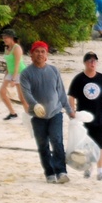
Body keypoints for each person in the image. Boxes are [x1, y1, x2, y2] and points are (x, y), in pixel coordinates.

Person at [19, 41, 75, 183]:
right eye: (37, 51)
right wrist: (35, 105)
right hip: (37, 116)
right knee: (43, 144)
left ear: (47, 55)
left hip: (56, 113)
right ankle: (50, 173)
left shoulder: (54, 71)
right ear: (31, 55)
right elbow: (26, 92)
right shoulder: (26, 74)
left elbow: (61, 92)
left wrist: (69, 110)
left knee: (57, 141)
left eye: (43, 51)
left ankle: (61, 172)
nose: (40, 54)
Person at [67, 51, 102, 181]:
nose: (92, 63)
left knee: (101, 145)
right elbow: (71, 96)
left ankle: (101, 171)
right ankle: (87, 168)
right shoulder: (79, 79)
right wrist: (72, 112)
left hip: (100, 117)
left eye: (94, 61)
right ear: (85, 62)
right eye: (90, 60)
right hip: (85, 117)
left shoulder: (101, 78)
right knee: (86, 145)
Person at [0, 28, 26, 120]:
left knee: (22, 98)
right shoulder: (7, 48)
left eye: (6, 37)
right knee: (2, 92)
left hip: (20, 73)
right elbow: (8, 64)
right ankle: (12, 113)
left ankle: (30, 117)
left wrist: (14, 80)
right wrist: (6, 77)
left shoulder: (17, 48)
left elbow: (17, 64)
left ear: (12, 38)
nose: (4, 39)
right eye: (3, 37)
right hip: (10, 72)